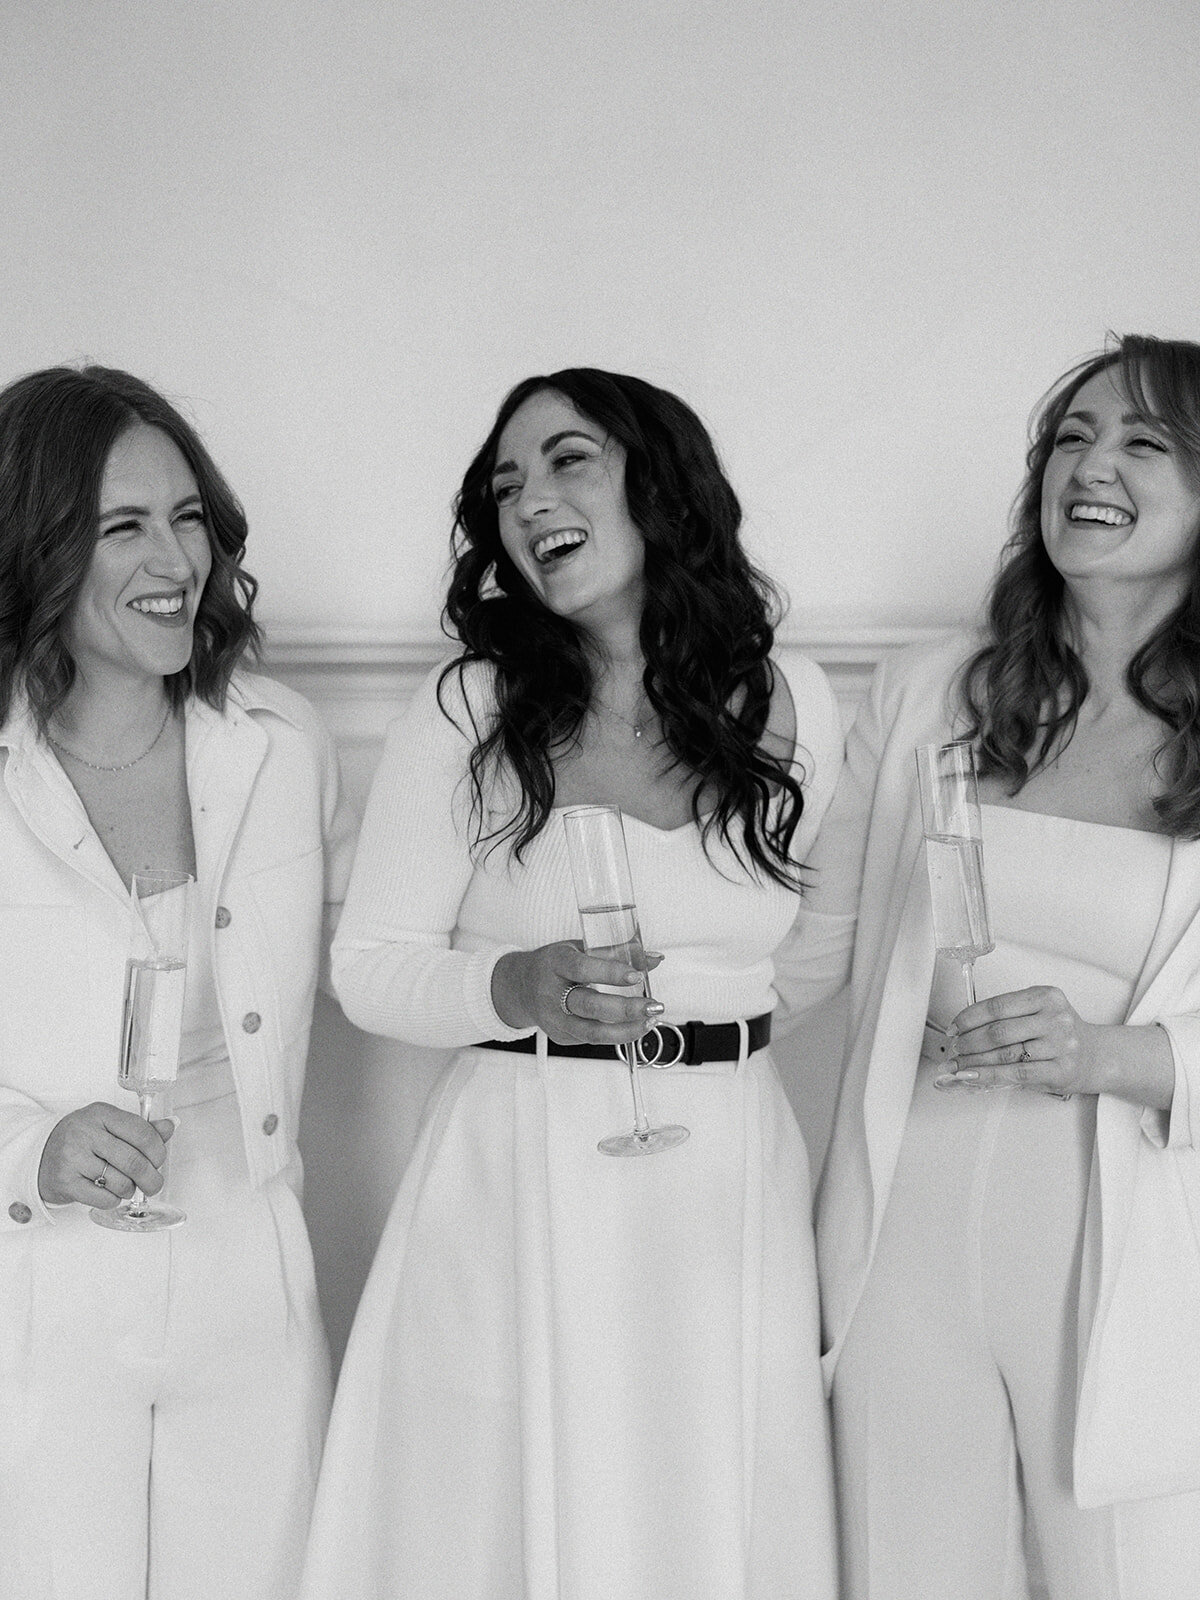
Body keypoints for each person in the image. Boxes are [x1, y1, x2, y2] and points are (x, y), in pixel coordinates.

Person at [300, 368, 843, 1599]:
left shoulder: (788, 699)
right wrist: (517, 987)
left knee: (706, 1498)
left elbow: (810, 947)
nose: (529, 497)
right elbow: (369, 969)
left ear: (660, 483)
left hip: (723, 1172)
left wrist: (716, 1053)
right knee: (508, 1506)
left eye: (567, 459)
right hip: (520, 1170)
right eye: (504, 485)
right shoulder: (468, 712)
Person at [776, 333, 1200, 1599]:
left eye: (1143, 441)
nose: (1093, 461)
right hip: (902, 1224)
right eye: (1072, 435)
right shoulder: (931, 695)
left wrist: (1112, 1055)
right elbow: (808, 955)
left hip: (1132, 1254)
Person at [0, 365, 355, 1599]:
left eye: (187, 514)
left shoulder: (282, 741)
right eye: (121, 524)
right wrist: (30, 1151)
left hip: (248, 1253)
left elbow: (389, 950)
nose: (174, 557)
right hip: (41, 1285)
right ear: (33, 549)